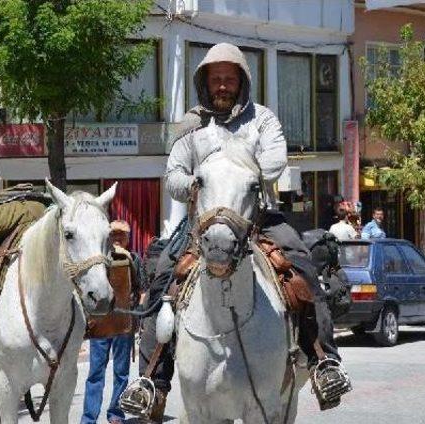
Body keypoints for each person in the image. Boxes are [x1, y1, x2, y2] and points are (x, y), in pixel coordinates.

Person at [125, 43, 351, 422]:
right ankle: (151, 381)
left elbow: (275, 160)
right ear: (205, 83)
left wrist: (237, 165)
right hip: (203, 222)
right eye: (216, 79)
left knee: (302, 267)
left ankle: (324, 360)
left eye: (230, 78)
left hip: (256, 218)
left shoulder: (262, 120)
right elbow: (174, 175)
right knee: (163, 277)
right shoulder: (191, 127)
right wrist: (195, 182)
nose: (223, 86)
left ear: (242, 81)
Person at [80, 220, 145, 424]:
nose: (117, 238)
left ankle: (116, 414)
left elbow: (141, 290)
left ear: (128, 237)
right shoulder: (98, 259)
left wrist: (137, 315)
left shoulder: (133, 258)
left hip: (123, 322)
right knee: (95, 373)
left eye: (121, 235)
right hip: (100, 323)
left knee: (121, 372)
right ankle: (89, 418)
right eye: (113, 234)